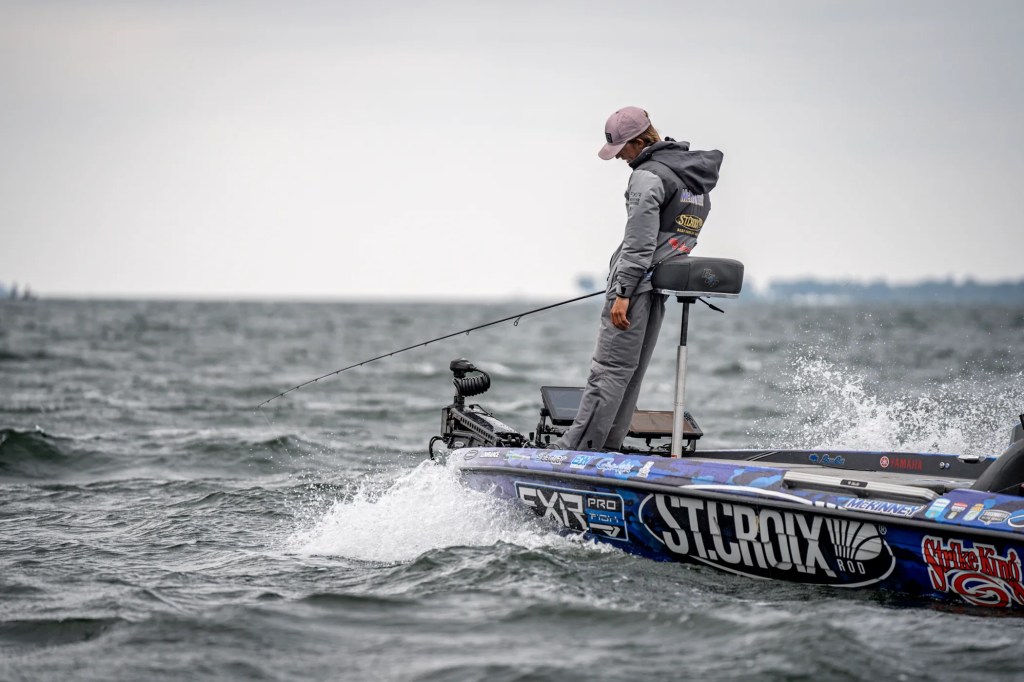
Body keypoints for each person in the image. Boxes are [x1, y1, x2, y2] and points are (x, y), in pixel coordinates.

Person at [553, 107, 723, 452]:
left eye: (622, 149)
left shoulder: (647, 176)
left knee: (608, 370)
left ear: (640, 141)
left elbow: (639, 241)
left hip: (634, 287)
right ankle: (607, 448)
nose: (620, 157)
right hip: (656, 286)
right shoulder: (693, 178)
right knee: (629, 374)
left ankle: (575, 450)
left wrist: (623, 291)